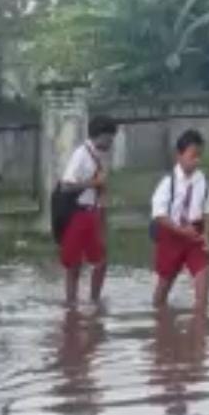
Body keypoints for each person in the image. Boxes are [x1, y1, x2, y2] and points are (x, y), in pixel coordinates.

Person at [55, 116, 118, 306]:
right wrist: (94, 183)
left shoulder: (96, 156)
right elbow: (66, 185)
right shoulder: (81, 155)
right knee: (74, 265)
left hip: (92, 214)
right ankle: (71, 305)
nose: (111, 142)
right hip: (77, 214)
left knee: (100, 261)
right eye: (109, 138)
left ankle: (94, 301)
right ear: (100, 136)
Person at [151, 129, 209, 311]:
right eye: (193, 156)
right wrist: (181, 231)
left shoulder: (206, 182)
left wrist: (207, 238)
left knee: (204, 279)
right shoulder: (167, 182)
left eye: (199, 156)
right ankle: (160, 324)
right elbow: (159, 215)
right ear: (179, 155)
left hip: (195, 235)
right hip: (171, 234)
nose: (197, 160)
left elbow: (208, 212)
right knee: (163, 287)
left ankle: (200, 331)